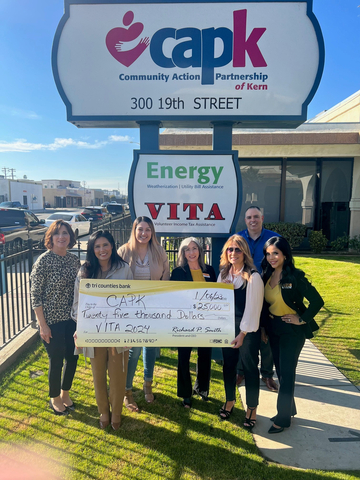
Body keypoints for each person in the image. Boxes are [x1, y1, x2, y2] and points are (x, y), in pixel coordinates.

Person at [261, 236, 324, 433]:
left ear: (285, 255)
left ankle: (283, 418)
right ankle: (289, 410)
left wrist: (302, 318)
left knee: (287, 374)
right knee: (280, 372)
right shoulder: (265, 275)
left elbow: (317, 301)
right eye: (268, 254)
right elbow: (263, 305)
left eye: (276, 253)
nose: (272, 257)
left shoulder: (295, 277)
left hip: (292, 331)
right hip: (273, 328)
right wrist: (263, 328)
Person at [72, 230, 133, 430]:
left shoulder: (124, 269)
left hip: (119, 331)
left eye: (105, 245)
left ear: (112, 246)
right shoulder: (85, 271)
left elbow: (133, 301)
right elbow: (78, 304)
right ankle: (103, 412)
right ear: (92, 249)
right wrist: (78, 328)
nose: (102, 250)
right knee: (98, 375)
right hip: (93, 332)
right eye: (97, 246)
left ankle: (116, 414)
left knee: (117, 376)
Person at [118, 216, 170, 411]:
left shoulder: (158, 251)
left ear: (152, 232)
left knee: (150, 346)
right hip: (130, 309)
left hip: (152, 308)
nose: (144, 233)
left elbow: (166, 276)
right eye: (140, 229)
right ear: (134, 230)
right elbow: (115, 276)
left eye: (148, 229)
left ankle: (148, 384)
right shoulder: (123, 251)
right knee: (134, 349)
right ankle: (127, 391)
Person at [30, 220, 80, 415]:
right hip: (51, 321)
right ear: (50, 237)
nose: (62, 237)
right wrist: (43, 325)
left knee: (73, 357)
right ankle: (54, 397)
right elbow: (35, 295)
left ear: (70, 237)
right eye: (58, 233)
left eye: (65, 233)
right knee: (56, 359)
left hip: (72, 320)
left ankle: (65, 392)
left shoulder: (74, 261)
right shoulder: (43, 261)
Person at [217, 235, 264, 428]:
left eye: (237, 249)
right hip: (228, 328)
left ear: (244, 252)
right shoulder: (224, 274)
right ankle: (230, 400)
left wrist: (242, 334)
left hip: (247, 330)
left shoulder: (253, 276)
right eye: (230, 249)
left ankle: (252, 408)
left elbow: (253, 309)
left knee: (250, 367)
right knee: (228, 366)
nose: (233, 253)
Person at [237, 205, 280, 392]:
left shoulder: (273, 238)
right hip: (244, 289)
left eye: (256, 216)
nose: (252, 220)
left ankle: (267, 374)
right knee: (243, 330)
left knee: (266, 334)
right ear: (245, 220)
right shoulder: (238, 238)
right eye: (249, 217)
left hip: (267, 290)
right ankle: (242, 370)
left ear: (262, 218)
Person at [170, 237, 217, 408]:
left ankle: (202, 388)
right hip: (185, 322)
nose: (191, 252)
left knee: (205, 355)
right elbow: (173, 298)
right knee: (184, 357)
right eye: (187, 249)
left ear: (200, 250)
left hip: (206, 322)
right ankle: (185, 393)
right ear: (182, 253)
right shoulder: (177, 272)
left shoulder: (210, 271)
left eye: (194, 248)